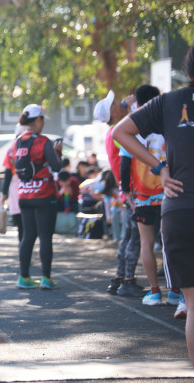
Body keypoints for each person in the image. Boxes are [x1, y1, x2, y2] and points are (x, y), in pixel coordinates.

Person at [113, 45, 194, 363]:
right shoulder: (168, 102)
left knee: (193, 306)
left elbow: (121, 132)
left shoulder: (170, 101)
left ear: (187, 71)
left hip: (179, 208)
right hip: (177, 206)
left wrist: (161, 168)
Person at [118, 84, 180, 307]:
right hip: (169, 190)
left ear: (138, 102)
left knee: (146, 242)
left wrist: (127, 193)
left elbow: (125, 166)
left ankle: (154, 292)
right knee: (171, 241)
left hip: (142, 195)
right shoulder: (167, 123)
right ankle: (175, 292)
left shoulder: (132, 127)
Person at [4, 104, 63, 289]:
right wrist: (58, 154)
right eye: (43, 119)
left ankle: (24, 277)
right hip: (44, 194)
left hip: (24, 195)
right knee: (45, 236)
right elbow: (57, 166)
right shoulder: (43, 141)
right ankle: (46, 278)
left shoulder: (17, 142)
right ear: (38, 120)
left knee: (28, 236)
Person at [93, 90, 143, 296]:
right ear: (112, 114)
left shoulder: (112, 131)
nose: (119, 104)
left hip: (127, 190)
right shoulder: (117, 132)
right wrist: (133, 110)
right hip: (134, 191)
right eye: (115, 104)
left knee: (128, 236)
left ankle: (120, 278)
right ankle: (127, 281)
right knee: (135, 238)